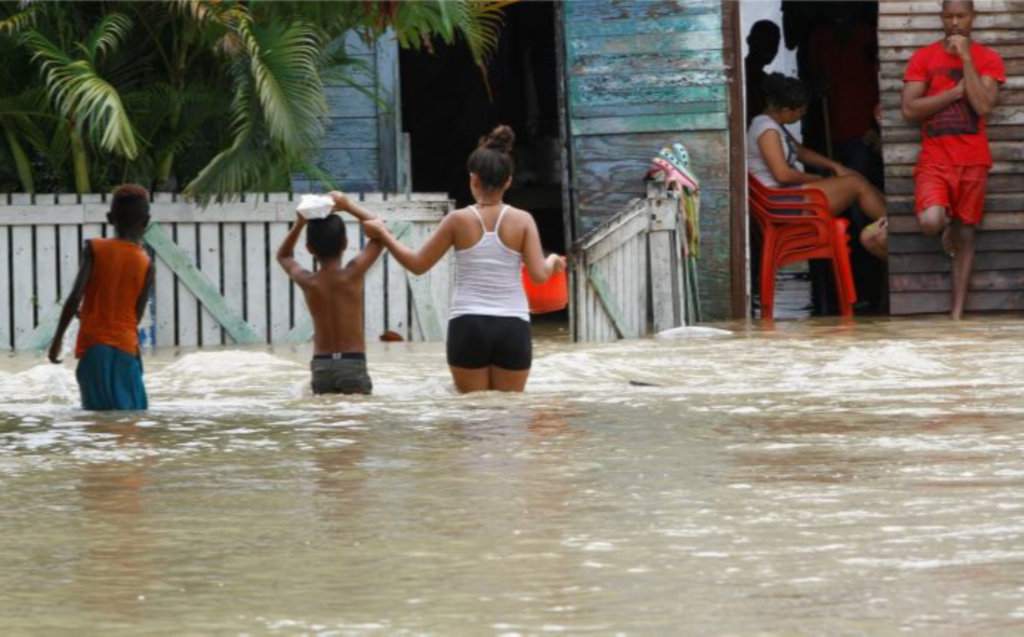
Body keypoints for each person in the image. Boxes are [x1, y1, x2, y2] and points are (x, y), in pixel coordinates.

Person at [361, 124, 567, 393]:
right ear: (508, 181)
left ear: (473, 179)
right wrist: (552, 262)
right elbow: (539, 276)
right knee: (510, 417)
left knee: (471, 418)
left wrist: (384, 234)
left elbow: (418, 265)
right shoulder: (523, 221)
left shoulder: (457, 221)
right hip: (512, 326)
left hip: (468, 324)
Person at [900, 0, 1004, 321]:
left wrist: (966, 59)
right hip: (935, 160)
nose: (955, 22)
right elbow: (909, 109)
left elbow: (984, 106)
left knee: (968, 235)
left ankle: (956, 314)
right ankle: (946, 224)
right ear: (941, 18)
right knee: (932, 220)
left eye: (961, 16)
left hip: (973, 160)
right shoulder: (923, 58)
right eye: (949, 16)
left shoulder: (988, 59)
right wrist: (952, 93)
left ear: (974, 17)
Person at [747, 72, 888, 261]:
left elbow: (801, 152)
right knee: (856, 184)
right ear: (786, 110)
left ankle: (890, 218)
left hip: (785, 199)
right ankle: (895, 227)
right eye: (800, 111)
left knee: (856, 179)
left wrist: (835, 166)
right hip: (781, 204)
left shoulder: (772, 125)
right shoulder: (767, 130)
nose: (802, 115)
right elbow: (783, 174)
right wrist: (820, 179)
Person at [48, 184, 155, 410]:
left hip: (94, 349)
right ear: (146, 222)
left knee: (97, 423)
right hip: (127, 350)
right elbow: (133, 317)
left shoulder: (95, 249)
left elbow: (76, 295)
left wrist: (57, 340)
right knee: (131, 424)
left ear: (109, 218)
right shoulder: (146, 263)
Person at [276, 192, 383, 395]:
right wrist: (348, 205)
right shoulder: (353, 274)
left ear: (309, 248)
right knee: (353, 424)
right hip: (352, 363)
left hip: (321, 365)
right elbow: (380, 232)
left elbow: (283, 255)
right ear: (345, 244)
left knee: (326, 422)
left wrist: (300, 222)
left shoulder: (308, 281)